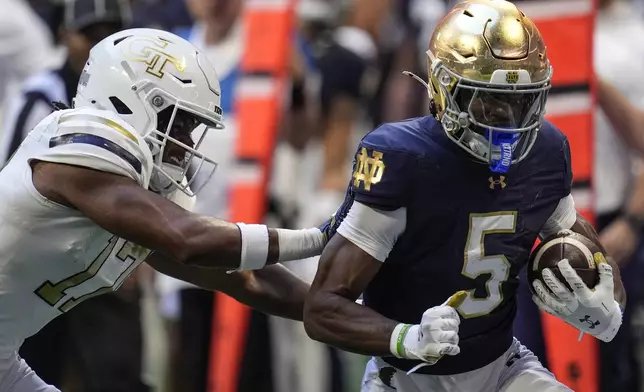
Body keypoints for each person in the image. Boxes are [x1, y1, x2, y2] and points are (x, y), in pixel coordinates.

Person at [302, 1, 626, 391]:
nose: (511, 122)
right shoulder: (404, 159)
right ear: (445, 87)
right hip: (408, 379)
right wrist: (407, 337)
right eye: (490, 101)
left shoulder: (545, 150)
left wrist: (607, 307)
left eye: (523, 101)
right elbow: (322, 309)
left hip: (502, 367)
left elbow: (591, 253)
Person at [0, 27, 332, 392]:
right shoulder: (82, 147)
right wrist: (320, 238)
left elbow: (246, 279)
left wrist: (378, 325)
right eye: (181, 121)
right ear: (129, 100)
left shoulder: (125, 195)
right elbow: (189, 239)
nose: (187, 142)